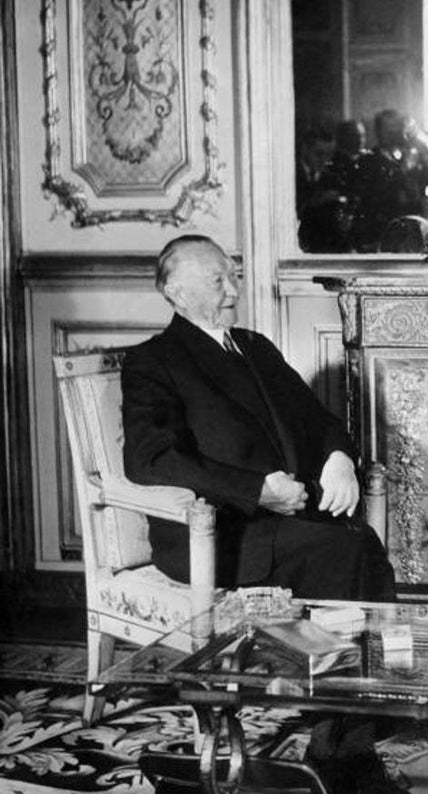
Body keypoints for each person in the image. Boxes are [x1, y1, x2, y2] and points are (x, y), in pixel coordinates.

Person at [121, 235, 403, 793]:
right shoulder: (155, 361)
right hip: (219, 531)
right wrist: (257, 491)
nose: (233, 290)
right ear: (174, 292)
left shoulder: (254, 346)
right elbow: (149, 458)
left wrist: (339, 458)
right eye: (218, 281)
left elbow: (317, 418)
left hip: (283, 519)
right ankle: (340, 744)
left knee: (361, 548)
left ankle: (357, 717)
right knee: (345, 551)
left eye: (233, 277)